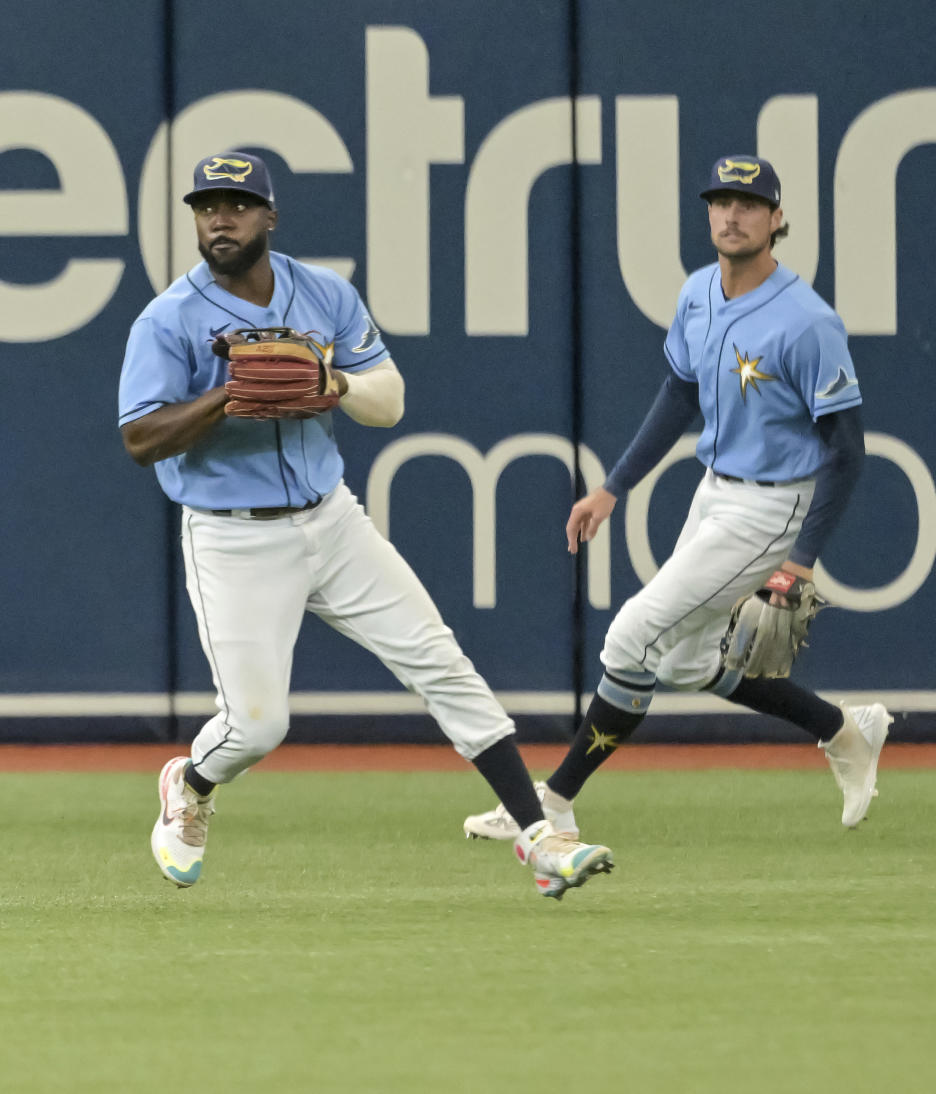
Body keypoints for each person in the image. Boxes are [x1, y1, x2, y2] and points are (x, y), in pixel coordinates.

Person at [118, 149, 613, 898]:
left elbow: (389, 399)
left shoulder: (323, 294)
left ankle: (539, 837)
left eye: (238, 203)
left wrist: (336, 380)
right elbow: (139, 438)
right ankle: (189, 784)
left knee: (440, 661)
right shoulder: (168, 319)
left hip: (332, 518)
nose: (220, 217)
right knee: (255, 727)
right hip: (233, 534)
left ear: (270, 216)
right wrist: (226, 396)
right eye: (205, 205)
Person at [464, 154, 891, 842]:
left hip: (771, 506)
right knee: (687, 662)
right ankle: (843, 731)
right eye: (721, 200)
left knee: (633, 635)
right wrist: (612, 486)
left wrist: (804, 559)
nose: (731, 214)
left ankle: (554, 802)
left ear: (777, 220)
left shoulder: (807, 322)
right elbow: (680, 393)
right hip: (715, 491)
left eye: (749, 204)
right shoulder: (698, 292)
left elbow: (848, 450)